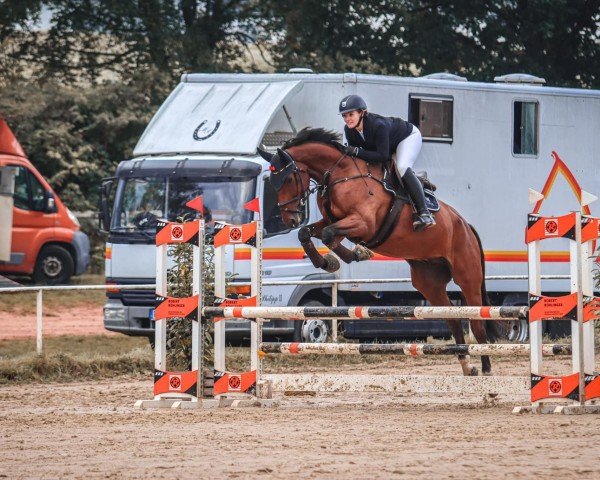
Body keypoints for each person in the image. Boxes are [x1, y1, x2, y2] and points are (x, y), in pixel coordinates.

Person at [338, 94, 435, 231]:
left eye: (350, 114)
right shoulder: (349, 130)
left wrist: (356, 152)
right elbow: (358, 157)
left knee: (402, 166)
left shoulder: (378, 125)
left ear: (362, 112)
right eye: (344, 116)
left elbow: (382, 156)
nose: (347, 119)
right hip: (387, 147)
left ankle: (424, 213)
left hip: (407, 138)